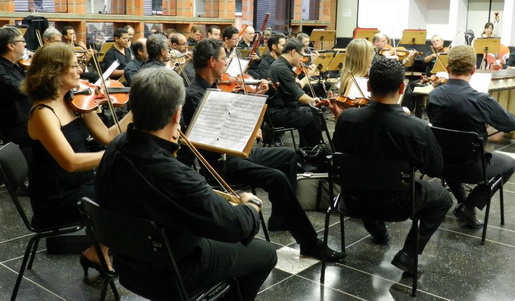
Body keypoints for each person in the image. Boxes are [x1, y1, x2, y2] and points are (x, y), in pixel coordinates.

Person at [95, 66, 277, 300]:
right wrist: (250, 206)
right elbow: (236, 227)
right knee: (265, 253)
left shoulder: (115, 147)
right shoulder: (172, 173)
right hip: (172, 270)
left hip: (127, 264)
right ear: (176, 115)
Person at [183, 39, 346, 263]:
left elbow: (230, 114)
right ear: (212, 62)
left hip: (237, 153)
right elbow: (212, 139)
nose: (226, 63)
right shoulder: (195, 95)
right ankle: (310, 243)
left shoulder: (211, 88)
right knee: (276, 178)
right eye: (224, 59)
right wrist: (248, 130)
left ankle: (279, 218)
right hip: (220, 162)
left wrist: (258, 96)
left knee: (289, 156)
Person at [326, 58, 452, 275]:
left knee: (367, 177)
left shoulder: (346, 118)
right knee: (442, 198)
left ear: (368, 86)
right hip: (398, 205)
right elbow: (436, 169)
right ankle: (408, 254)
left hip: (352, 199)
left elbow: (340, 152)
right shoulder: (416, 128)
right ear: (402, 87)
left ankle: (376, 229)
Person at [20, 43, 132, 274]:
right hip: (56, 198)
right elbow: (69, 162)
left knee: (133, 186)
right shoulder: (43, 113)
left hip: (81, 183)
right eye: (74, 66)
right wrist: (113, 157)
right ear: (55, 72)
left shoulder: (74, 101)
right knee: (127, 193)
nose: (80, 70)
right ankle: (102, 251)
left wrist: (136, 112)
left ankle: (100, 250)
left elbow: (108, 136)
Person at [427, 45, 515, 228]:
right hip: (472, 169)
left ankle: (464, 204)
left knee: (452, 148)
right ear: (473, 70)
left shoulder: (434, 96)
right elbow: (509, 124)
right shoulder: (481, 100)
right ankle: (468, 206)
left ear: (448, 68)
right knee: (511, 164)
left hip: (440, 165)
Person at [266, 38, 325, 147]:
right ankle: (312, 151)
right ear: (293, 52)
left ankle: (309, 148)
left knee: (313, 111)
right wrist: (315, 100)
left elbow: (296, 87)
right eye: (301, 55)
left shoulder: (282, 65)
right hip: (277, 112)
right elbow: (299, 96)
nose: (302, 58)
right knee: (314, 114)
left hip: (283, 107)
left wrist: (308, 76)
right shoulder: (281, 68)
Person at [0, 27, 33, 162]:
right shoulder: (1, 69)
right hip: (18, 130)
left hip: (28, 122)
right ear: (11, 45)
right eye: (22, 41)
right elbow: (18, 88)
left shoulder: (16, 66)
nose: (25, 44)